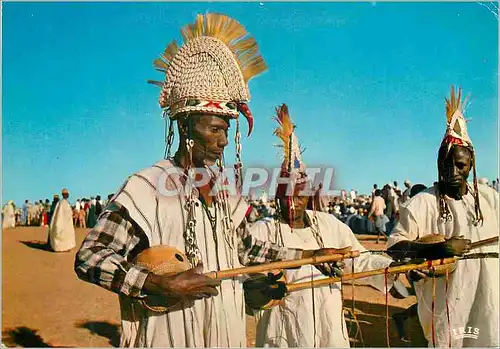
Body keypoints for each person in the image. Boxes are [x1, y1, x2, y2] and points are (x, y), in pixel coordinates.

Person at [74, 14, 338, 348]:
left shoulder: (225, 192)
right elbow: (91, 255)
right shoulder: (146, 187)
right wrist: (158, 284)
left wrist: (312, 255)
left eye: (226, 131)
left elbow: (248, 248)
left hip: (224, 332)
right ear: (185, 128)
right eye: (213, 129)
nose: (223, 141)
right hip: (168, 333)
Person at [246, 104, 403, 347]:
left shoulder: (329, 225)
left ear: (308, 195)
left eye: (297, 195)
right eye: (283, 194)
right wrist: (259, 290)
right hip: (281, 335)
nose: (291, 202)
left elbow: (358, 259)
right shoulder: (261, 231)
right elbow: (244, 281)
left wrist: (394, 267)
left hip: (328, 330)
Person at [387, 87, 499, 347]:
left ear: (471, 165)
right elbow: (394, 247)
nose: (453, 172)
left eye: (460, 165)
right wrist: (439, 248)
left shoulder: (490, 198)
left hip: (490, 303)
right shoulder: (422, 203)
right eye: (446, 165)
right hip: (449, 310)